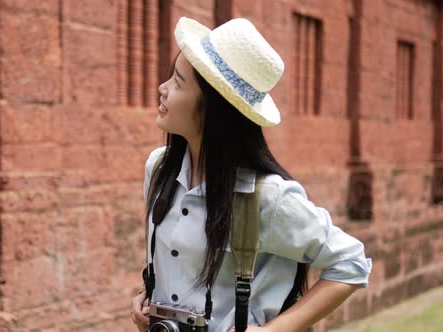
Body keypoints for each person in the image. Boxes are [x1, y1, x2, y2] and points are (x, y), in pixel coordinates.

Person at [130, 17, 372, 332]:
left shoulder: (268, 197)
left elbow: (350, 264)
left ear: (213, 108)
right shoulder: (159, 169)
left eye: (177, 82)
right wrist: (148, 295)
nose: (162, 89)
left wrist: (274, 331)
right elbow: (175, 262)